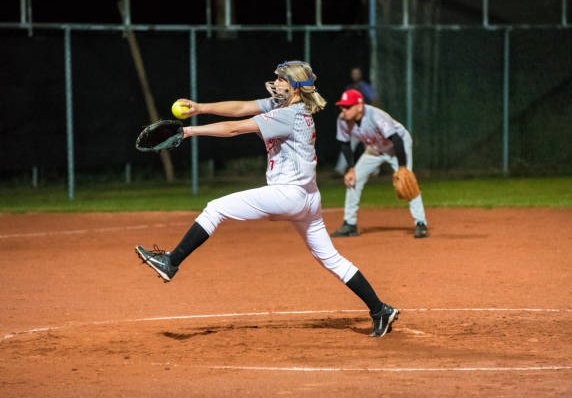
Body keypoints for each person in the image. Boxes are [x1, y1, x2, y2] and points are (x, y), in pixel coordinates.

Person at [135, 61, 399, 338]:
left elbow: (233, 129)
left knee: (215, 209)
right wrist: (201, 108)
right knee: (331, 259)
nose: (276, 82)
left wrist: (188, 132)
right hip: (309, 197)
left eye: (281, 79)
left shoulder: (288, 115)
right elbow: (241, 107)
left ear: (295, 87)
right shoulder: (284, 106)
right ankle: (380, 310)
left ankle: (171, 261)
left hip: (288, 194)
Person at [330, 89, 428, 239]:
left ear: (360, 106)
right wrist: (351, 169)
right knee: (353, 180)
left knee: (408, 181)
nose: (344, 110)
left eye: (348, 106)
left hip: (396, 147)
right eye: (342, 106)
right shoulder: (342, 120)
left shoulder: (376, 116)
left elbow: (396, 139)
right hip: (375, 149)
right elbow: (344, 143)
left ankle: (421, 223)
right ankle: (349, 224)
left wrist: (402, 168)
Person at [334, 67, 380, 175]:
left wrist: (369, 115)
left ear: (360, 75)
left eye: (357, 74)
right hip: (353, 123)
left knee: (370, 146)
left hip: (365, 121)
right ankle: (340, 169)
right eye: (353, 74)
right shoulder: (349, 88)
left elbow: (374, 99)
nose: (355, 75)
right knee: (348, 144)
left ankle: (375, 170)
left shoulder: (364, 87)